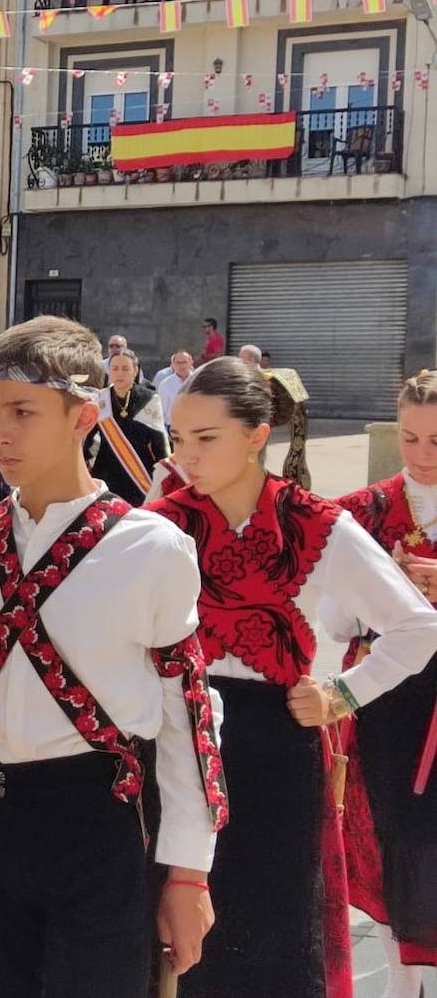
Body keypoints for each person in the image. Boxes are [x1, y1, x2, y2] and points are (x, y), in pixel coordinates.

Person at [0, 315, 227, 998]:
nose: (1, 433)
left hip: (100, 827)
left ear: (83, 416)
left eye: (24, 413)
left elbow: (188, 711)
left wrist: (187, 870)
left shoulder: (153, 546)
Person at [148, 356, 437, 998]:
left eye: (205, 438)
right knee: (176, 941)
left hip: (274, 745)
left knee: (272, 936)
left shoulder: (313, 522)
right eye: (178, 439)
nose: (187, 456)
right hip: (176, 739)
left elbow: (417, 627)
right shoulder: (160, 523)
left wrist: (340, 694)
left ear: (257, 435)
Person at [323, 371, 437, 997]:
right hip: (387, 698)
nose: (421, 456)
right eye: (412, 438)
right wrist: (384, 591)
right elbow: (336, 622)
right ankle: (401, 980)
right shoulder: (362, 512)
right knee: (394, 833)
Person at [91, 349, 169, 507]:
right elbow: (88, 443)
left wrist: (164, 476)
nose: (120, 373)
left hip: (139, 476)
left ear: (135, 371)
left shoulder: (148, 399)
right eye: (115, 368)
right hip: (106, 474)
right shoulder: (100, 399)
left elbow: (159, 443)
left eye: (125, 368)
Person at [157, 350, 195, 424]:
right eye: (178, 363)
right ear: (173, 365)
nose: (181, 366)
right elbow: (160, 411)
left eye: (184, 362)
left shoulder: (199, 381)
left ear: (191, 363)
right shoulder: (166, 384)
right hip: (172, 428)